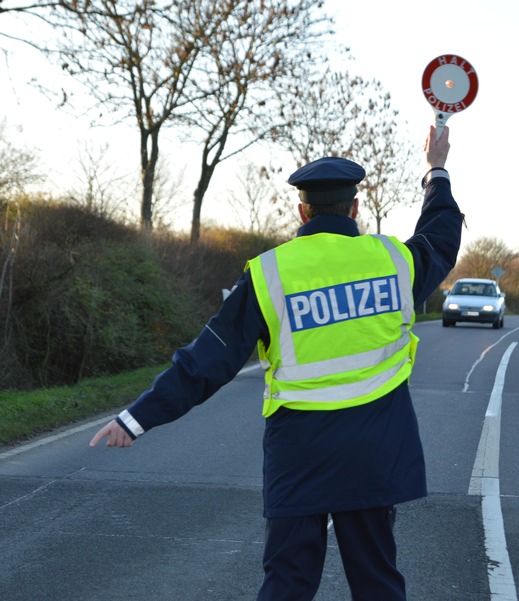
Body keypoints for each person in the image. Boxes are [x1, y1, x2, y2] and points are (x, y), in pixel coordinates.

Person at [90, 125, 463, 600]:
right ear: (355, 208)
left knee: (288, 582)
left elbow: (209, 359)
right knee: (377, 582)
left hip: (301, 453)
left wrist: (137, 418)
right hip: (376, 450)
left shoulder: (269, 273)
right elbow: (442, 236)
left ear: (302, 210)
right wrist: (437, 170)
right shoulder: (393, 260)